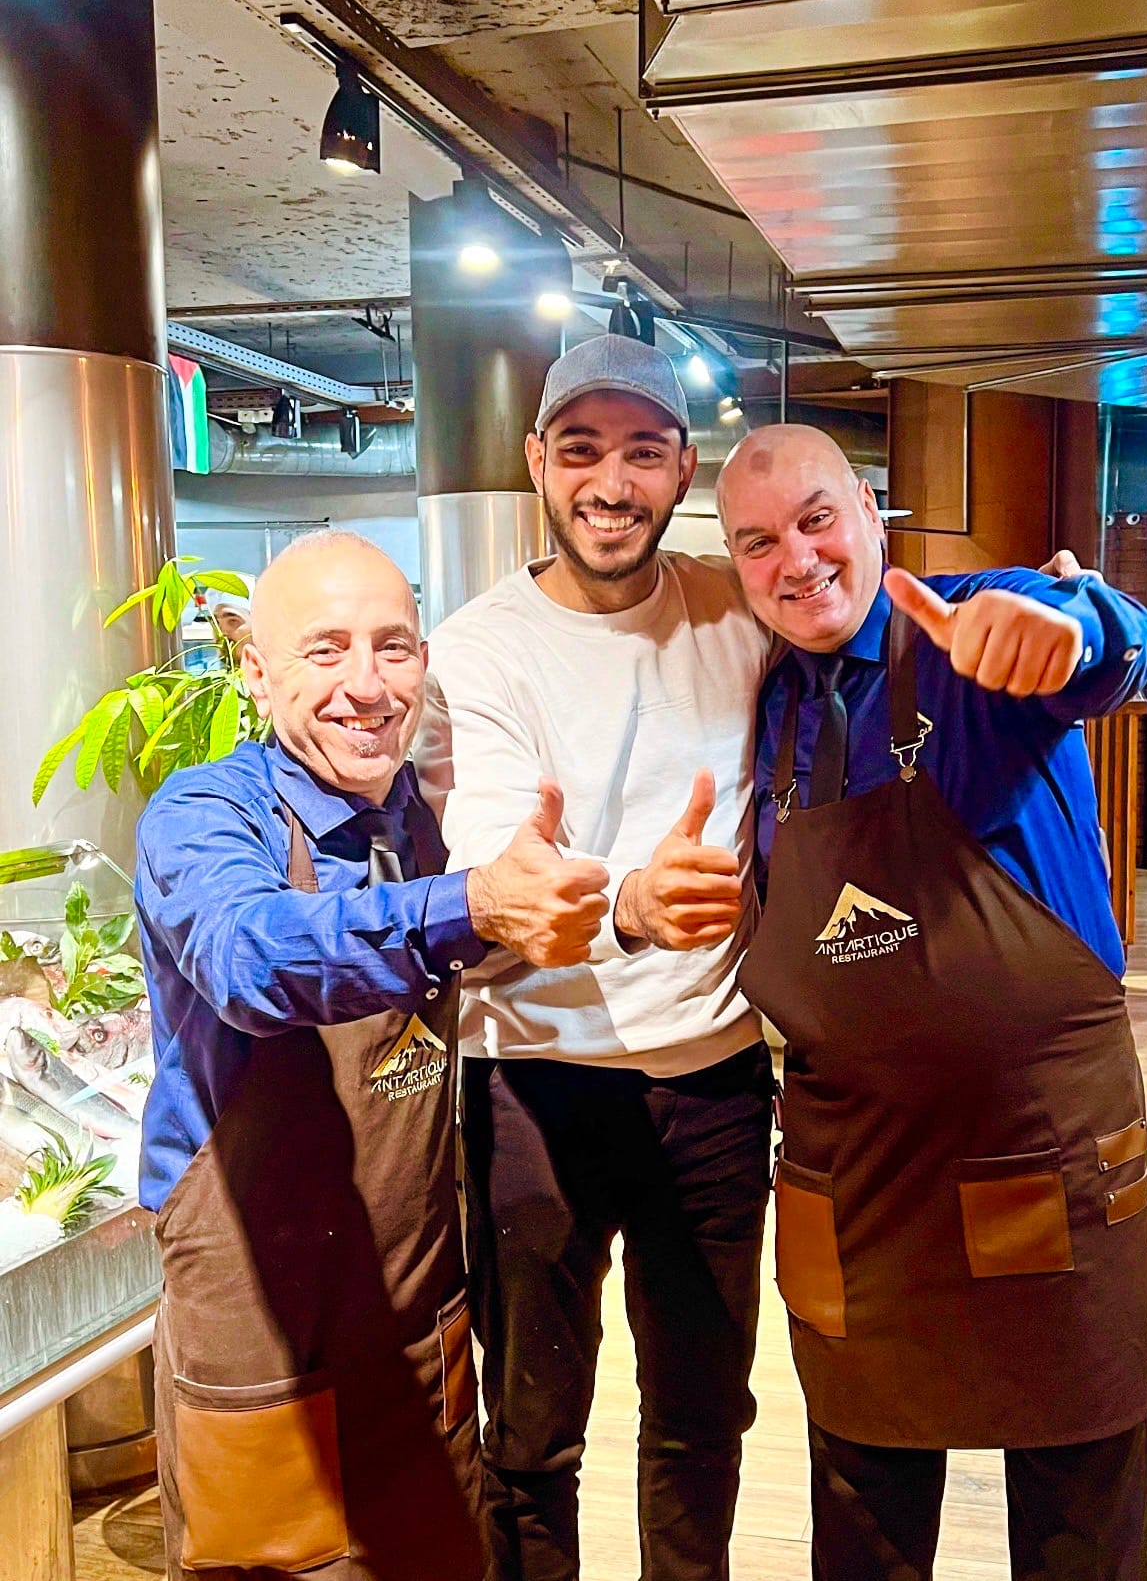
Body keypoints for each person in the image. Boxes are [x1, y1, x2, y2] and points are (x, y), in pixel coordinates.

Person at [716, 425, 1147, 1581]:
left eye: (817, 519)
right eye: (758, 543)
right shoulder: (765, 708)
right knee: (861, 1520)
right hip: (854, 1182)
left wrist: (1074, 632)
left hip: (1042, 1154)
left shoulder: (968, 630)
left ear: (871, 513)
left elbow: (1117, 645)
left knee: (1084, 1519)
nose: (796, 560)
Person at [135, 530, 609, 1581]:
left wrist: (630, 916)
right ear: (254, 671)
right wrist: (472, 901)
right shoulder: (205, 815)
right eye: (326, 650)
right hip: (263, 1342)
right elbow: (250, 960)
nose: (366, 685)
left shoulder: (416, 821)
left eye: (394, 648)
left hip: (417, 1335)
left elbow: (469, 950)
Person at [419, 335, 777, 1581]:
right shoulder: (480, 646)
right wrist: (626, 905)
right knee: (530, 1435)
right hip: (534, 1081)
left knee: (701, 1418)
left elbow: (863, 590)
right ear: (536, 464)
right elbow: (505, 885)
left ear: (685, 466)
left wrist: (1069, 607)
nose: (609, 484)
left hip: (716, 1082)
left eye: (640, 452)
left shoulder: (738, 608)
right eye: (580, 451)